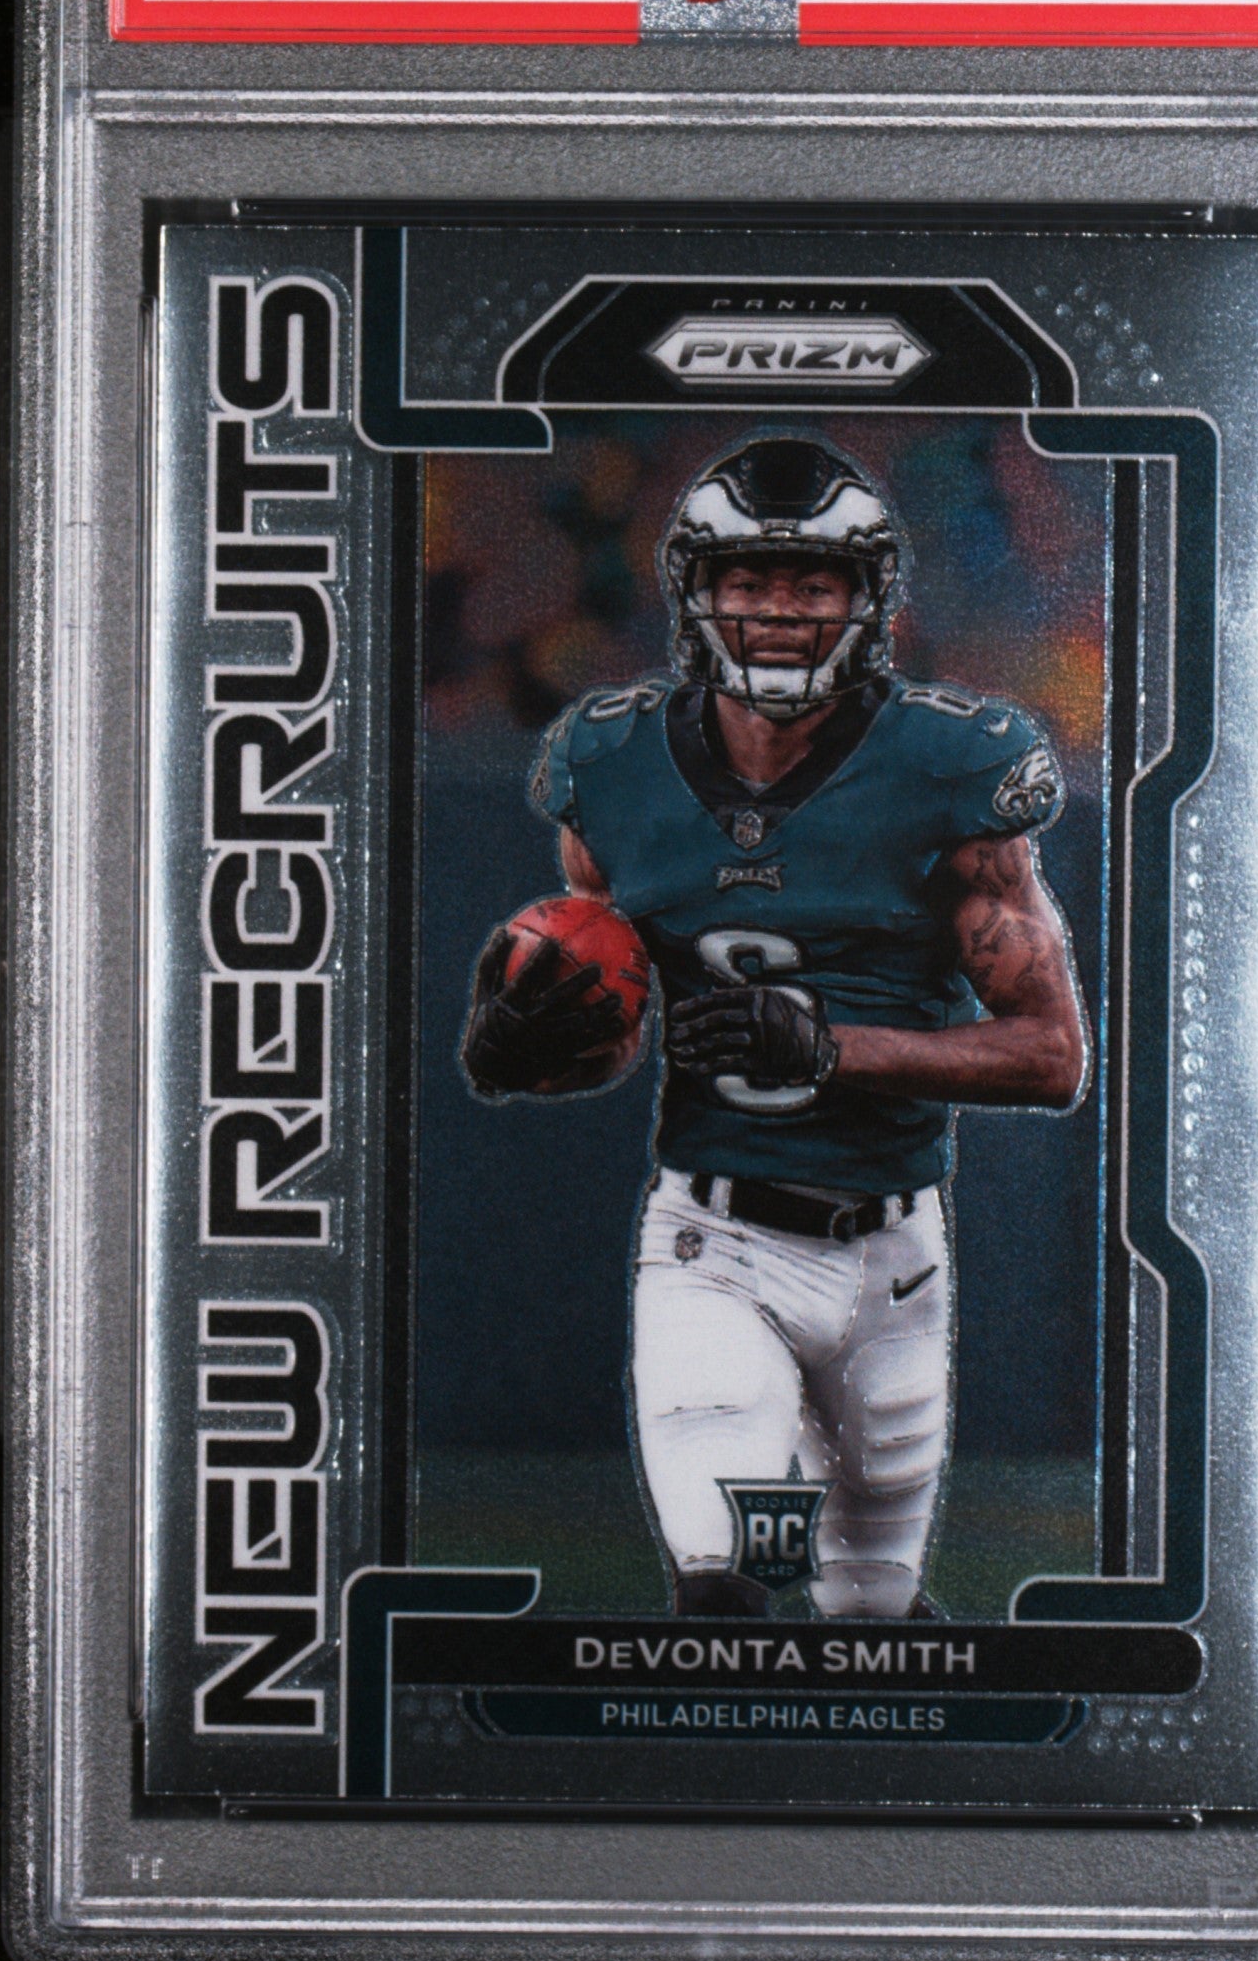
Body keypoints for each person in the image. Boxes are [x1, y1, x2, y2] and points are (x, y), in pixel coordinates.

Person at [462, 433, 1087, 1621]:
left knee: (874, 1621)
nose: (782, 611)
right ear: (695, 593)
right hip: (713, 1242)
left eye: (815, 582)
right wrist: (537, 1039)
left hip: (896, 1261)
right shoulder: (611, 762)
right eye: (749, 579)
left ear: (870, 598)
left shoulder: (952, 765)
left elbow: (1053, 1056)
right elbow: (617, 1010)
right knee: (729, 1589)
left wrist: (830, 1048)